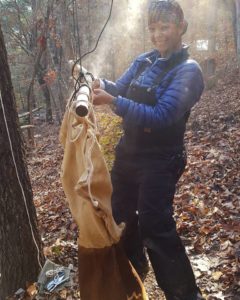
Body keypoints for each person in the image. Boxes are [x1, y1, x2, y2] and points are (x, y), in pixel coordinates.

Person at [92, 1, 204, 299]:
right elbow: (120, 88)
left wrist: (113, 102)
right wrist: (99, 84)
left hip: (161, 159)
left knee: (156, 225)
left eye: (164, 27)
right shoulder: (144, 60)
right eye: (153, 28)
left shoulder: (189, 71)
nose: (158, 35)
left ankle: (183, 294)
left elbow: (162, 115)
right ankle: (133, 279)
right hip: (128, 153)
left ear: (181, 26)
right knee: (121, 216)